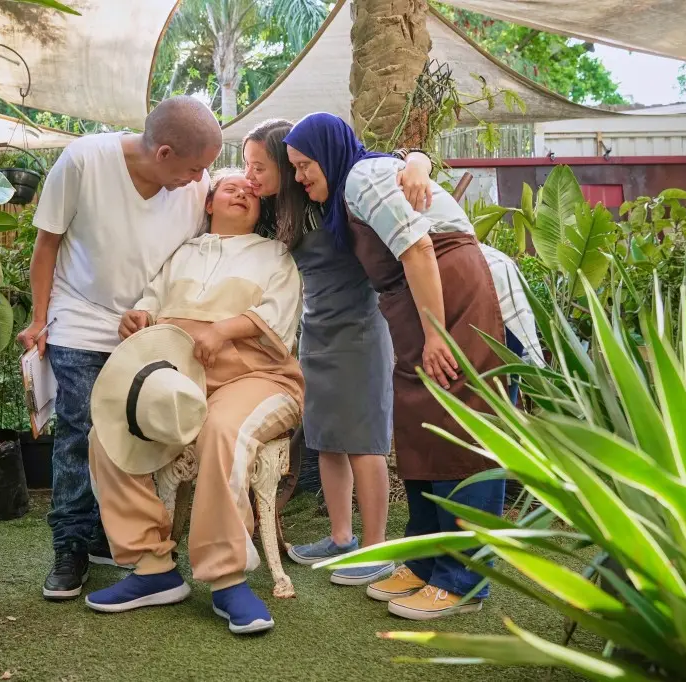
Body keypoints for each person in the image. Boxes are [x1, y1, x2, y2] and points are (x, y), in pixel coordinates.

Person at [283, 113, 542, 621]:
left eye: (304, 165)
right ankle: (425, 562)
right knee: (424, 434)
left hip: (459, 300)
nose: (299, 177)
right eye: (293, 167)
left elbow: (420, 247)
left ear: (328, 154)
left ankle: (464, 580)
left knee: (465, 437)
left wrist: (437, 334)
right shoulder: (354, 188)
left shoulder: (360, 176)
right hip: (424, 308)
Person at [15, 96, 223, 602]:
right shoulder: (84, 161)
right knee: (79, 431)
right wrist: (39, 320)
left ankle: (112, 535)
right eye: (196, 167)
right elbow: (47, 245)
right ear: (165, 151)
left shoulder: (196, 184)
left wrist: (409, 162)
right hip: (80, 316)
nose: (202, 180)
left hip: (150, 325)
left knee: (136, 433)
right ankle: (70, 546)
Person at [87, 171, 304, 635]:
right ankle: (152, 568)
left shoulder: (275, 255)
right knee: (108, 431)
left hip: (259, 377)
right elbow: (150, 302)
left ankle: (226, 579)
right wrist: (140, 316)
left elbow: (279, 320)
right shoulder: (182, 252)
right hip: (180, 377)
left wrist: (223, 330)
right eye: (231, 188)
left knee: (222, 430)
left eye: (250, 192)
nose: (243, 191)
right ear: (208, 204)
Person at [242, 119, 434, 587]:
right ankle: (341, 537)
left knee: (364, 441)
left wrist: (417, 162)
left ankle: (376, 547)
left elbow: (392, 164)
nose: (249, 175)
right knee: (327, 439)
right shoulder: (279, 209)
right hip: (317, 335)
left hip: (361, 332)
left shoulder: (339, 189)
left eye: (258, 166)